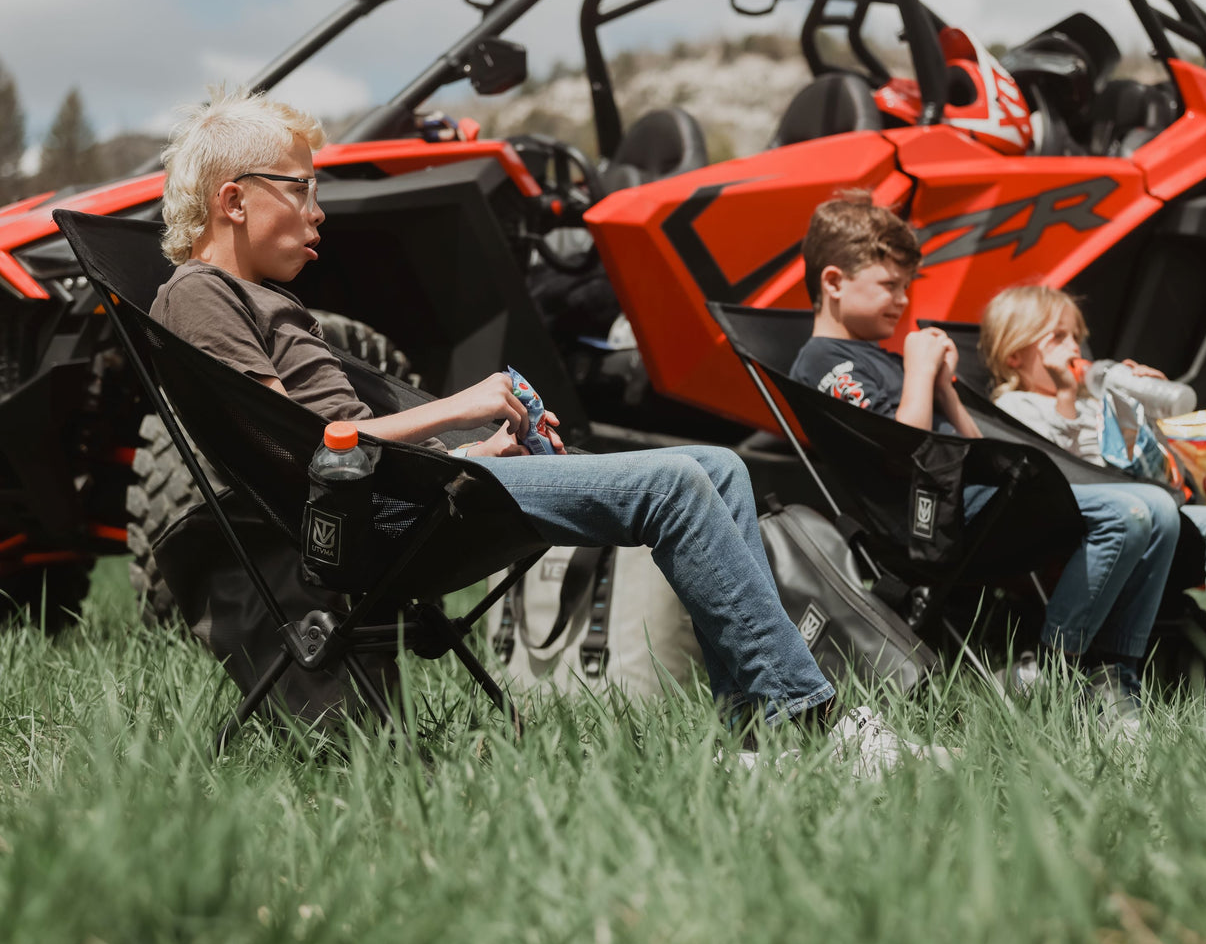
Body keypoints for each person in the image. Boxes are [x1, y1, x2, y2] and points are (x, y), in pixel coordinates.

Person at [149, 87, 951, 776]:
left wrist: (467, 455)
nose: (317, 210)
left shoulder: (256, 298)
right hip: (373, 523)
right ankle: (802, 718)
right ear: (234, 200)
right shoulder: (200, 294)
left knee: (718, 467)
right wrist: (462, 406)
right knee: (674, 485)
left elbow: (346, 436)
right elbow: (310, 443)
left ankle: (755, 726)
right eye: (301, 189)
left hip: (406, 491)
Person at [790, 191, 1179, 729]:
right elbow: (907, 453)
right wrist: (921, 371)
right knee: (1128, 514)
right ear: (833, 283)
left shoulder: (882, 357)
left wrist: (945, 389)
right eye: (888, 285)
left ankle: (1115, 678)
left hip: (980, 499)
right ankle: (1053, 673)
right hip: (930, 522)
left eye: (906, 286)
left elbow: (969, 446)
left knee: (1157, 508)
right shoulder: (824, 362)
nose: (902, 300)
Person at [980, 285, 1206, 714]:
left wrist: (1136, 405)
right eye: (1057, 338)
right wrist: (1066, 397)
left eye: (1076, 336)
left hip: (1158, 512)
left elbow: (1152, 470)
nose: (1075, 348)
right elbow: (1051, 467)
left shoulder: (1090, 403)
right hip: (1099, 527)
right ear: (1014, 356)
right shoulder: (1015, 405)